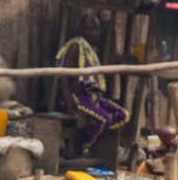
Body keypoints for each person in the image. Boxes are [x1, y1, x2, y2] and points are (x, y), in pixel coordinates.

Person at [54, 15, 127, 157]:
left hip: (92, 98)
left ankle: (84, 139)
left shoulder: (91, 50)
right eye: (90, 29)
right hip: (77, 99)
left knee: (122, 115)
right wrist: (71, 108)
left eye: (96, 29)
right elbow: (63, 77)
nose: (94, 33)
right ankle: (86, 148)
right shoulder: (75, 46)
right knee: (104, 119)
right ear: (81, 30)